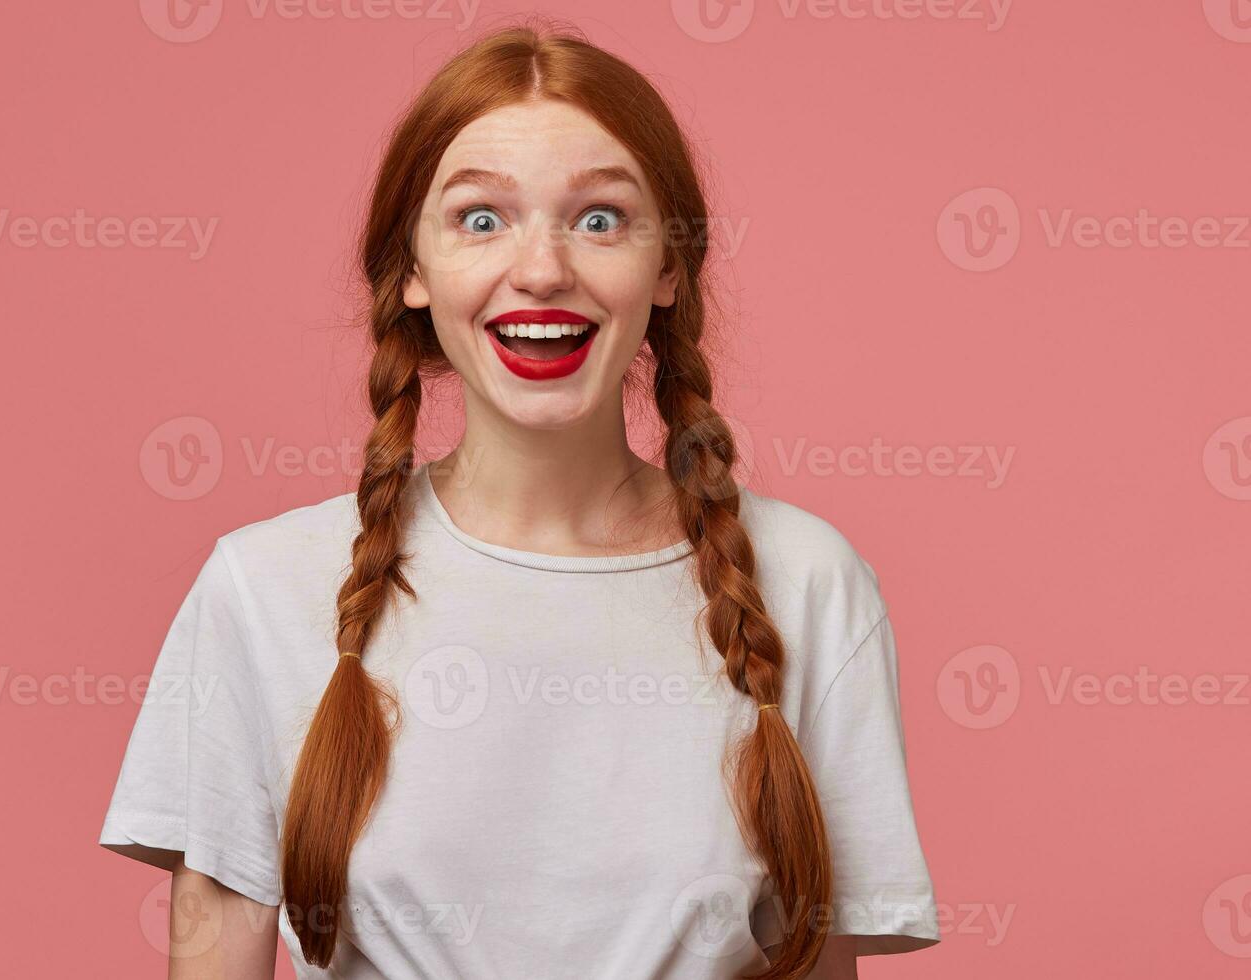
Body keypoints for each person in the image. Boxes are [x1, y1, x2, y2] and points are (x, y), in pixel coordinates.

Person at [99, 19, 940, 980]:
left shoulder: (809, 584)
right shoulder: (262, 589)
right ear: (411, 271)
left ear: (667, 268)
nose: (542, 269)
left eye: (599, 219)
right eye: (481, 219)